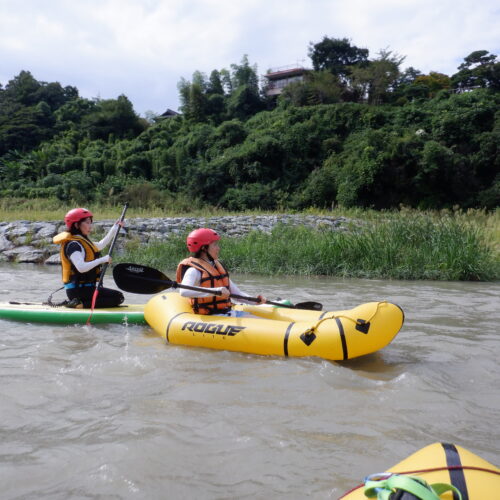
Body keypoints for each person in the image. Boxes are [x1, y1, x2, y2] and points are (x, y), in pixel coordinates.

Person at [176, 228, 266, 316]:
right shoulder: (193, 270)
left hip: (225, 313)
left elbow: (236, 294)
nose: (218, 248)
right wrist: (215, 291)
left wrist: (254, 301)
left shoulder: (216, 268)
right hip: (210, 317)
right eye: (215, 245)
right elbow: (184, 292)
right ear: (204, 248)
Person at [52, 207, 125, 308]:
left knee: (117, 296)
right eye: (87, 223)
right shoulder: (74, 245)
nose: (90, 226)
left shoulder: (82, 241)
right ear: (76, 225)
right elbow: (81, 268)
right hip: (77, 291)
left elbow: (100, 245)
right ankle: (80, 304)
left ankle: (80, 304)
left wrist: (114, 228)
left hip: (86, 289)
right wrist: (102, 260)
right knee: (118, 297)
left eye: (91, 223)